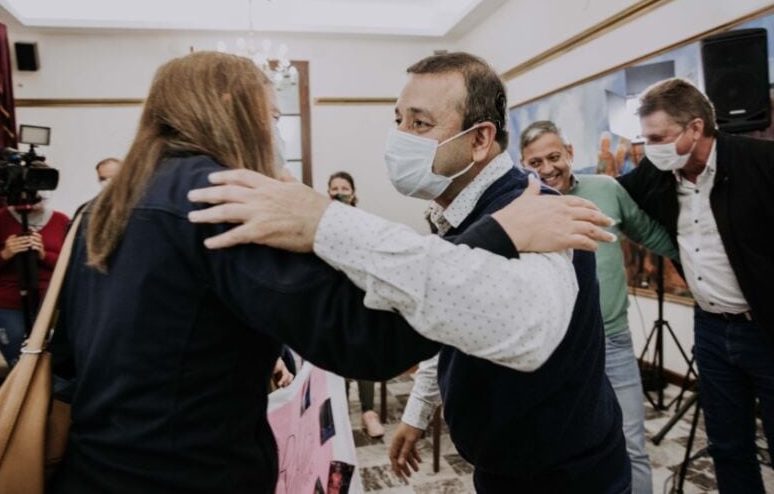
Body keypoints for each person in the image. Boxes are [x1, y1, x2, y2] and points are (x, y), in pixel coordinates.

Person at [49, 51, 613, 494]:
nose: (275, 133)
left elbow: (84, 357)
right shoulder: (225, 198)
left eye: (419, 123)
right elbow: (369, 338)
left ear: (481, 137)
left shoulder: (101, 209)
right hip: (189, 475)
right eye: (271, 117)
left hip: (96, 468)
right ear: (229, 109)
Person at [618, 78, 774, 494]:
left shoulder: (761, 161)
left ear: (696, 128)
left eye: (658, 137)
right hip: (711, 331)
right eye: (645, 138)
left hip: (766, 330)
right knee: (727, 445)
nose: (649, 148)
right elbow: (611, 194)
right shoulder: (659, 172)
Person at [520, 120, 679, 494]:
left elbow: (650, 232)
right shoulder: (520, 208)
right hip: (553, 352)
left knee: (631, 446)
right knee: (561, 453)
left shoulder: (606, 189)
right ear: (523, 166)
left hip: (613, 343)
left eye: (554, 156)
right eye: (535, 162)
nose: (547, 168)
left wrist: (700, 263)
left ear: (570, 154)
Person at [0, 196, 69, 366]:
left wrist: (43, 255)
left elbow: (73, 265)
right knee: (19, 369)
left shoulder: (61, 220)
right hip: (10, 308)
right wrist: (4, 255)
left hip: (51, 305)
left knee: (53, 369)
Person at [326, 170, 383, 437]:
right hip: (332, 303)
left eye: (344, 187)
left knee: (364, 353)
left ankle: (368, 412)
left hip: (362, 300)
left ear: (354, 193)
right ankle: (339, 416)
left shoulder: (366, 224)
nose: (339, 192)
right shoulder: (321, 225)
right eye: (334, 188)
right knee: (336, 359)